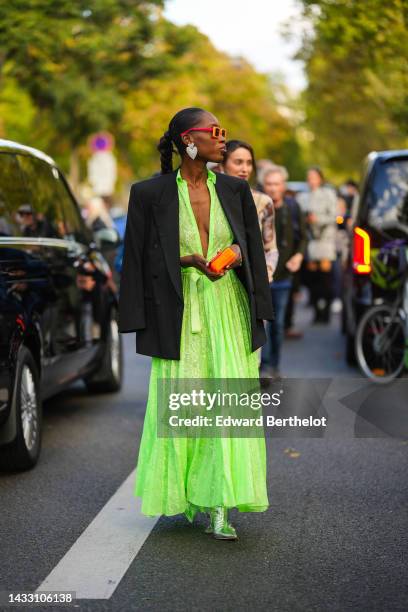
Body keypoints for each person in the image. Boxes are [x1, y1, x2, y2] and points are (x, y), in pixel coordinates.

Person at [118, 107, 274, 540]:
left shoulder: (234, 189)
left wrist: (237, 255)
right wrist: (184, 260)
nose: (224, 139)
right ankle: (188, 495)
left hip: (228, 307)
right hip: (179, 309)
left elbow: (252, 250)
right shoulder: (149, 194)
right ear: (190, 140)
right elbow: (138, 256)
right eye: (215, 133)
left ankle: (220, 505)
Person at [261, 166, 307, 379]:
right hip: (260, 277)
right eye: (269, 183)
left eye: (277, 183)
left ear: (284, 186)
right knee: (260, 324)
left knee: (277, 325)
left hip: (283, 277)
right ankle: (262, 367)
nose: (273, 188)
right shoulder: (257, 206)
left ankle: (273, 366)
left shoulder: (292, 207)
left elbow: (303, 238)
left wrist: (298, 257)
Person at [221, 140, 279, 284]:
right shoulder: (210, 199)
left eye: (249, 163)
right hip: (216, 280)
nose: (245, 169)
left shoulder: (264, 202)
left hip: (252, 281)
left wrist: (267, 271)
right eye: (238, 162)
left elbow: (270, 248)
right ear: (222, 164)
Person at [297, 167, 337, 323]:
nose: (311, 180)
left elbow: (334, 216)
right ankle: (316, 311)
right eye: (309, 177)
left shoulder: (328, 194)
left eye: (314, 177)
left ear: (320, 178)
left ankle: (326, 312)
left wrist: (318, 220)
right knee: (313, 278)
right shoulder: (302, 197)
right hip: (310, 241)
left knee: (325, 277)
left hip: (325, 241)